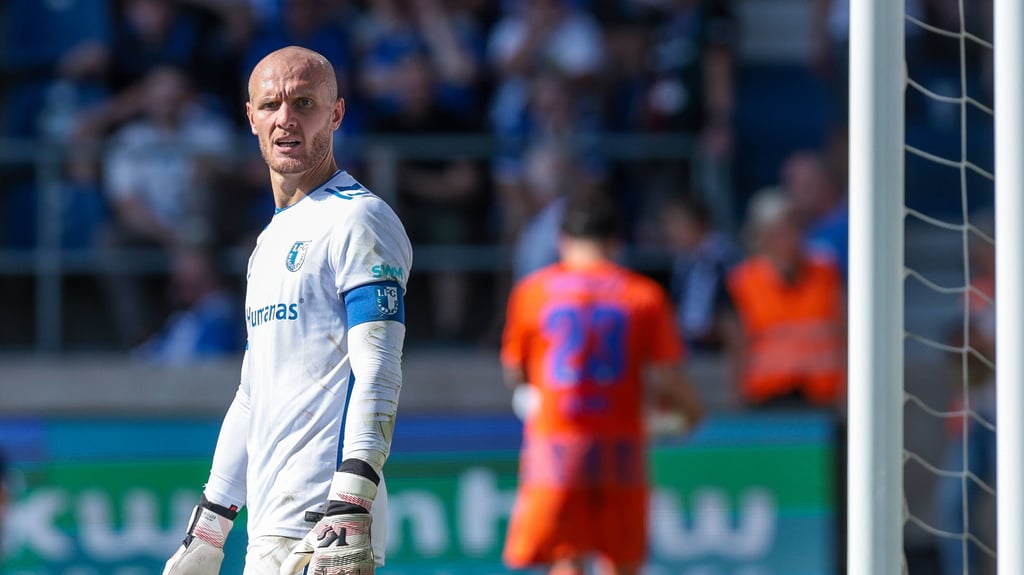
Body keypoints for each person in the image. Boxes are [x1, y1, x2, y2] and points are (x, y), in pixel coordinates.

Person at [162, 46, 412, 575]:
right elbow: (254, 392)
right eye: (271, 104)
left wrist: (351, 500)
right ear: (249, 116)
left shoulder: (360, 219)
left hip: (327, 520)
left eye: (304, 103)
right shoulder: (268, 241)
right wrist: (210, 525)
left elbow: (378, 370)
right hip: (271, 523)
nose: (286, 119)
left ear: (337, 113)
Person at [500, 190, 703, 575]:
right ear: (615, 243)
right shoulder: (643, 295)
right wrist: (691, 412)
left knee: (566, 556)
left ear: (562, 241)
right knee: (621, 559)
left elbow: (516, 372)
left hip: (558, 447)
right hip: (620, 446)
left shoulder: (533, 293)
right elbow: (667, 375)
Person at [720, 189, 846, 409]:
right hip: (767, 402)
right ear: (762, 236)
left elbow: (844, 331)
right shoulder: (742, 280)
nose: (789, 238)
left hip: (823, 400)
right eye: (779, 231)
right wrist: (737, 399)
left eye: (794, 228)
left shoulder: (826, 271)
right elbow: (736, 346)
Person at [661, 193, 742, 353]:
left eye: (677, 224)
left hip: (720, 353)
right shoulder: (683, 261)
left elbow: (735, 310)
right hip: (690, 349)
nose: (671, 232)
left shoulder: (726, 258)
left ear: (698, 223)